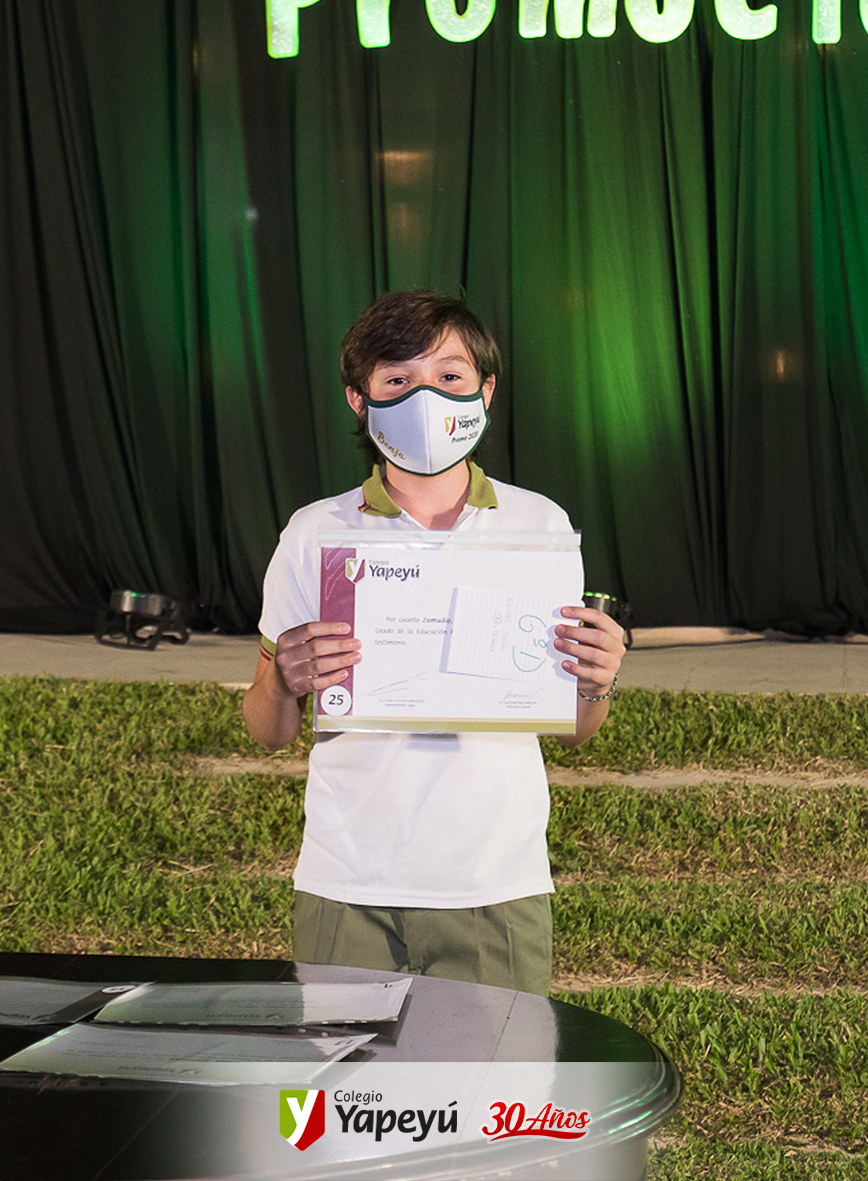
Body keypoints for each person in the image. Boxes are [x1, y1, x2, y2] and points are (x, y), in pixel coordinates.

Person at [243, 290, 625, 995]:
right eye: (397, 379)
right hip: (346, 881)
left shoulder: (539, 525)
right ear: (359, 400)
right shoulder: (315, 533)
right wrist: (281, 680)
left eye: (449, 375)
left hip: (494, 883)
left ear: (486, 390)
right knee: (343, 1071)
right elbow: (269, 730)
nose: (426, 397)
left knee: (497, 1070)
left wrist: (596, 681)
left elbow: (574, 729)